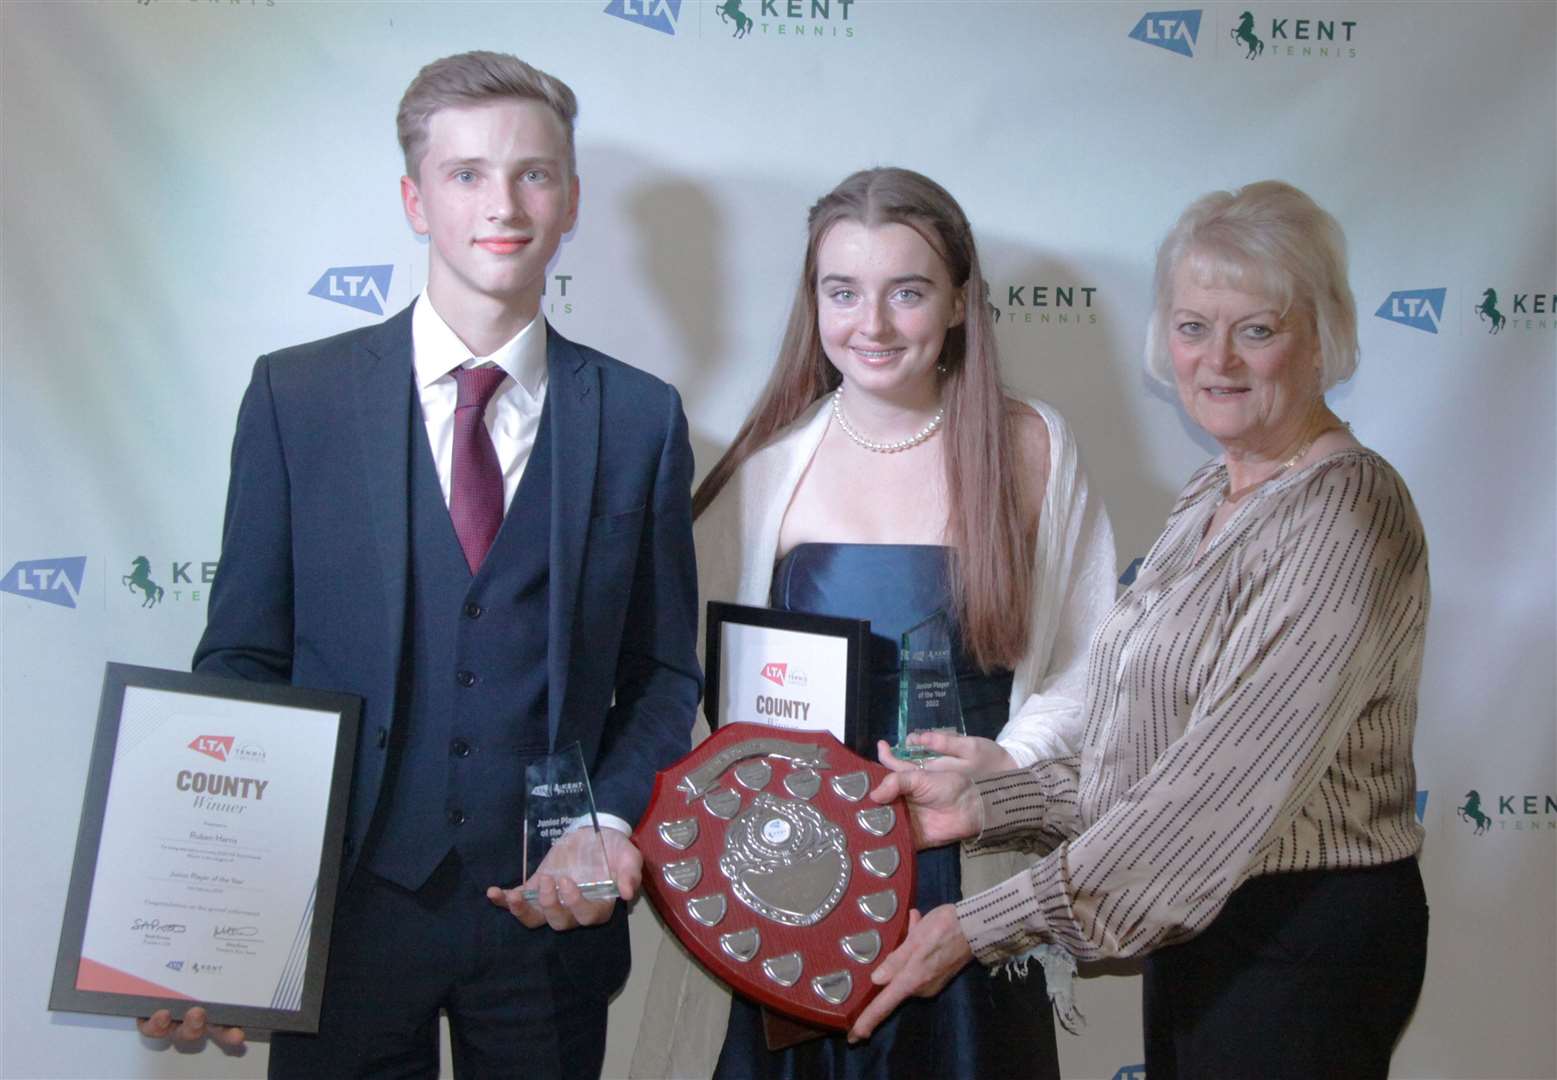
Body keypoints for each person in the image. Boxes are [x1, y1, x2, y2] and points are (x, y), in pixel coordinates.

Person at [137, 51, 701, 1078]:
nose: (505, 203)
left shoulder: (641, 419)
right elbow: (242, 663)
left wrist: (606, 818)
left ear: (570, 200)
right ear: (414, 197)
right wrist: (198, 921)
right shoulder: (294, 399)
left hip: (548, 929)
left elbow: (663, 674)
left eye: (534, 173)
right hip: (344, 920)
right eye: (467, 173)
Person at [857, 180, 1431, 1079]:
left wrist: (977, 926)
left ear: (1320, 337)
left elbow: (1210, 797)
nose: (1219, 360)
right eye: (1194, 325)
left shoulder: (1344, 512)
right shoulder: (1217, 492)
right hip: (1206, 928)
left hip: (1298, 945)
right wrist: (989, 802)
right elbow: (1152, 755)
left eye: (1258, 328)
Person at [631, 167, 1116, 1080]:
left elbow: (1095, 660)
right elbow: (687, 684)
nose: (874, 324)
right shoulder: (767, 468)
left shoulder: (1031, 447)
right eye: (842, 291)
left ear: (961, 302)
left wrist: (1007, 763)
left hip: (965, 871)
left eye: (908, 291)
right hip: (797, 878)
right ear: (811, 302)